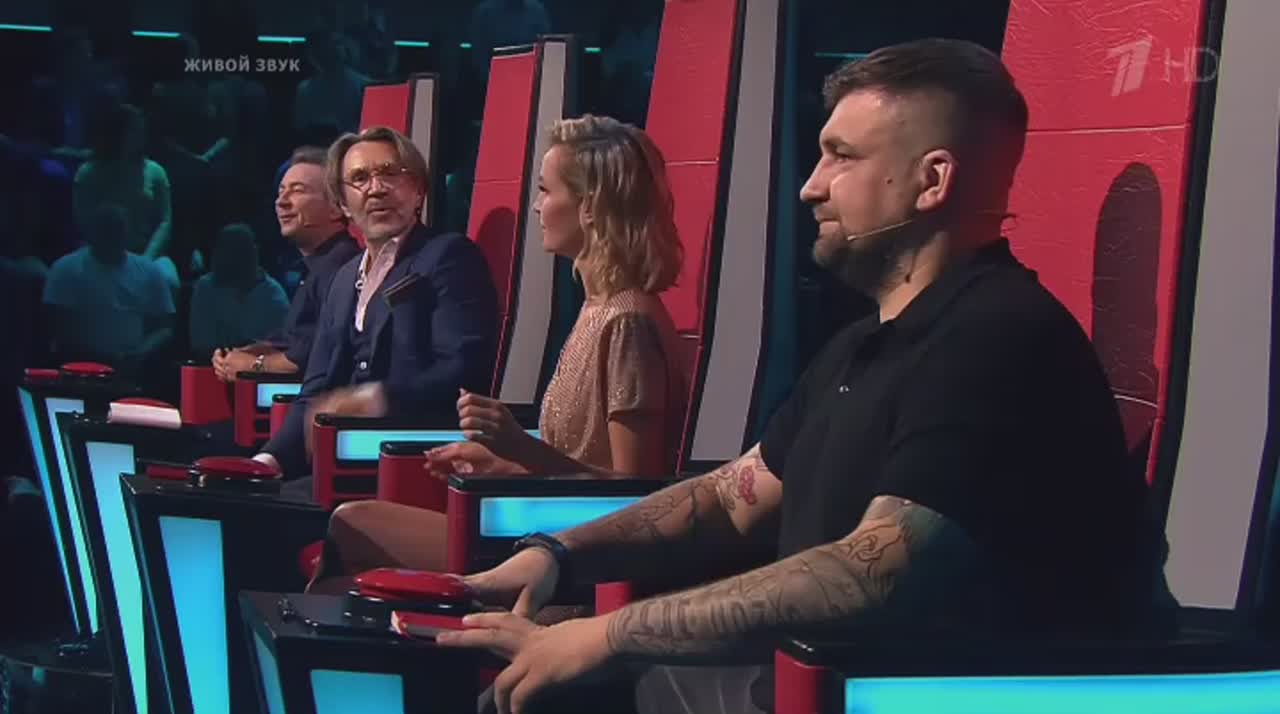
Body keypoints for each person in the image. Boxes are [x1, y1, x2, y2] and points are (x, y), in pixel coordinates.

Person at [433, 39, 1178, 714]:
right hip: (800, 685)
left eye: (840, 157)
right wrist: (557, 554)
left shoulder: (1000, 338)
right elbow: (725, 499)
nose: (810, 187)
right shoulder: (863, 344)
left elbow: (870, 572)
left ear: (931, 180)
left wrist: (606, 634)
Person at [314, 115, 687, 579]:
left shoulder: (627, 322)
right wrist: (502, 461)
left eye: (546, 191)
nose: (536, 206)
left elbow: (633, 498)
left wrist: (518, 447)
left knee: (353, 524)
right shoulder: (596, 310)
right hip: (544, 524)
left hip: (573, 551)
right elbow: (579, 458)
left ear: (590, 207)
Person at [253, 127, 499, 480]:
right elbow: (314, 391)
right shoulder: (343, 278)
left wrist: (378, 398)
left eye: (390, 173)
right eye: (359, 178)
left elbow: (463, 370)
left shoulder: (449, 257)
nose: (376, 188)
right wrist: (268, 461)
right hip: (338, 468)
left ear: (418, 190)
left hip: (415, 464)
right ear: (342, 204)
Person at [212, 146, 361, 380]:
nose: (282, 202)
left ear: (336, 207)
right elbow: (296, 340)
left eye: (298, 190)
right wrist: (246, 353)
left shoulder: (341, 267)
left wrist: (255, 364)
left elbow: (312, 357)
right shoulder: (317, 267)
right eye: (281, 192)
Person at [43, 202, 175, 370]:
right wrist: (98, 358)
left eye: (117, 230)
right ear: (92, 233)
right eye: (106, 230)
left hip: (134, 367)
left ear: (127, 233)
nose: (112, 237)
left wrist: (140, 353)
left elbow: (165, 327)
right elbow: (57, 326)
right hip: (80, 367)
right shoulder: (65, 269)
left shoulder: (149, 271)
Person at [73, 102, 177, 287]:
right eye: (135, 130)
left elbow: (165, 221)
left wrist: (145, 260)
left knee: (168, 280)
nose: (142, 136)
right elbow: (84, 219)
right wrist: (109, 254)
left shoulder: (156, 171)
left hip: (146, 253)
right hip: (100, 252)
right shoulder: (88, 173)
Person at [188, 224, 290, 357]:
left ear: (253, 253)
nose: (232, 259)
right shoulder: (205, 288)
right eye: (227, 251)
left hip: (261, 367)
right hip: (211, 365)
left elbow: (283, 346)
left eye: (239, 251)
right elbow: (201, 344)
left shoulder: (273, 294)